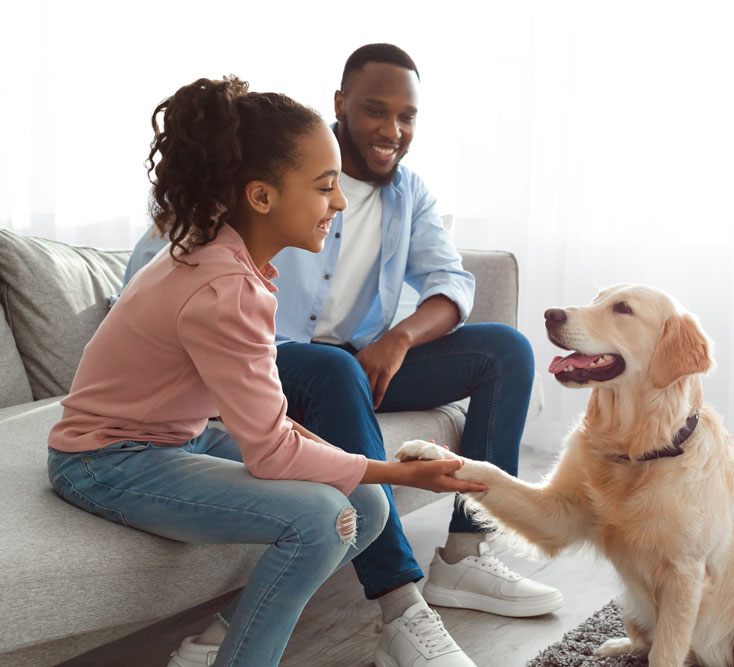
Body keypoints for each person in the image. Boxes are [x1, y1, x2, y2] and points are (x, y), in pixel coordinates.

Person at [124, 45, 561, 667]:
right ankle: (401, 608)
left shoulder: (409, 193)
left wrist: (398, 339)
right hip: (273, 360)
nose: (392, 130)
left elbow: (451, 282)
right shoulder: (266, 174)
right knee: (331, 370)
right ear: (341, 104)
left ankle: (467, 554)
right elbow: (155, 277)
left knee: (505, 351)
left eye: (407, 116)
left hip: (357, 363)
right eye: (376, 111)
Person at [48, 75, 487, 667]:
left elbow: (271, 427)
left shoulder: (225, 258)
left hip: (176, 436)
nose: (339, 203)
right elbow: (272, 455)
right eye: (325, 186)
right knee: (323, 519)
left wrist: (368, 472)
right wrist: (401, 472)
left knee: (368, 504)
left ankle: (226, 638)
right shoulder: (224, 288)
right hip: (104, 460)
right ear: (261, 197)